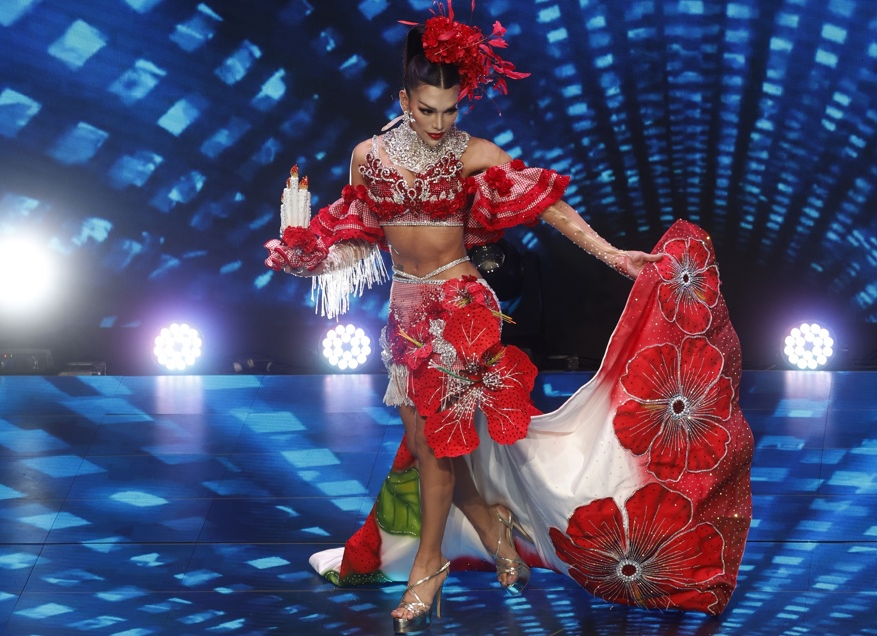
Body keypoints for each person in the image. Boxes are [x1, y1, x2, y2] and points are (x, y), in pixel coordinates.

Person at [266, 5, 752, 634]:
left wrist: (611, 254)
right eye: (428, 109)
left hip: (462, 310)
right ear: (404, 99)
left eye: (451, 110)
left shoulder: (473, 154)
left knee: (439, 450)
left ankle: (429, 566)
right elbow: (361, 236)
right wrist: (310, 256)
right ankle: (498, 537)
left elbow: (548, 205)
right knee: (426, 447)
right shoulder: (368, 158)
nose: (441, 124)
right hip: (404, 316)